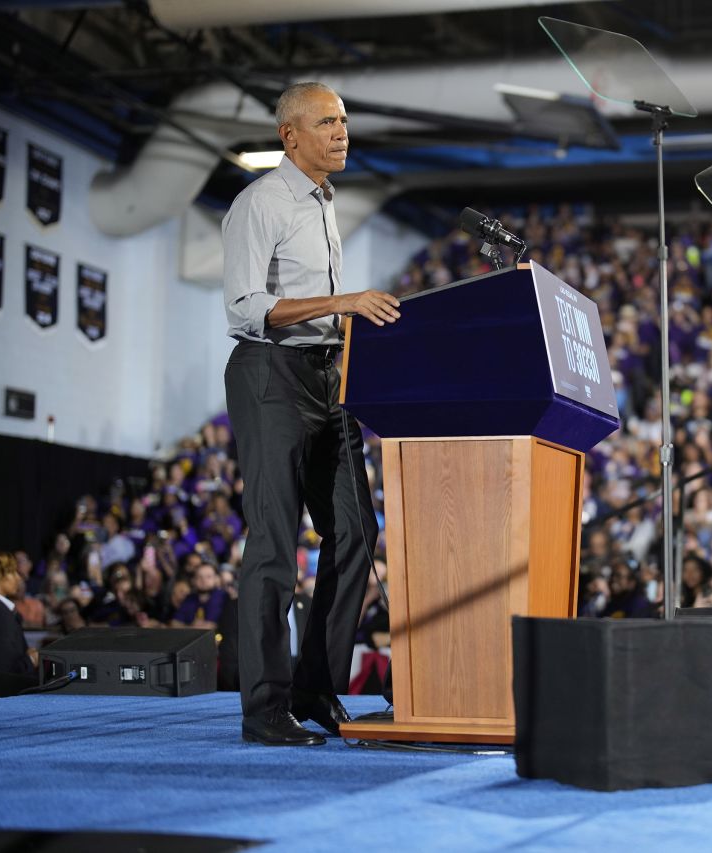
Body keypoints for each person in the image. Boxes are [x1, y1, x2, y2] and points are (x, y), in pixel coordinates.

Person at [222, 81, 400, 747]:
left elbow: (329, 308)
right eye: (327, 121)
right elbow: (244, 307)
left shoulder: (324, 202)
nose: (342, 131)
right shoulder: (260, 203)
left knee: (354, 532)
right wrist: (345, 303)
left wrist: (350, 319)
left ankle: (314, 687)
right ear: (290, 136)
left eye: (345, 120)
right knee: (272, 543)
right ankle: (264, 709)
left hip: (330, 378)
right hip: (271, 373)